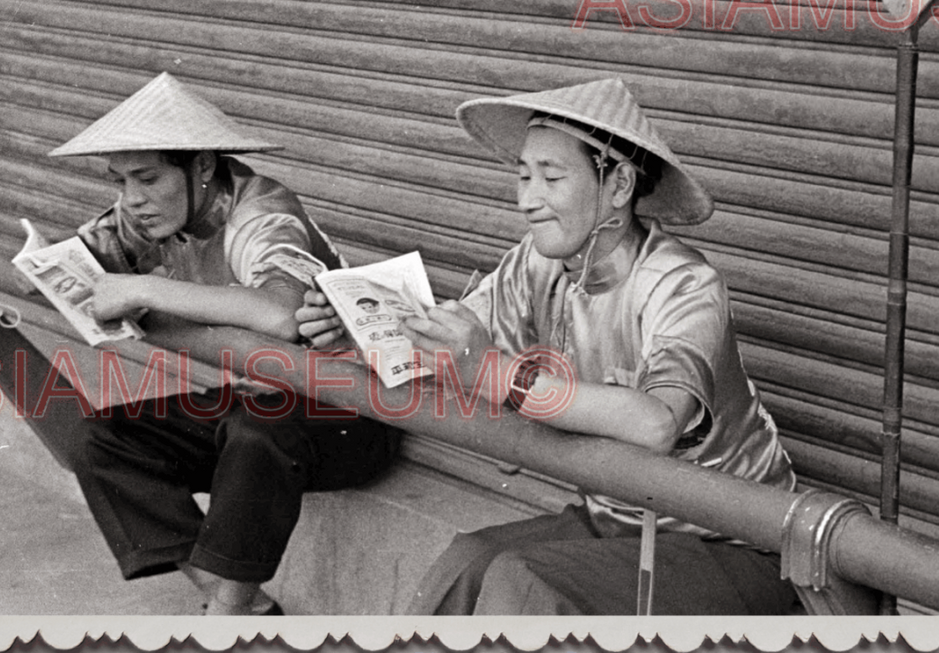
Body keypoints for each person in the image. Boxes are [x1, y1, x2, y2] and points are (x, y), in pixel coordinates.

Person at [299, 77, 796, 615]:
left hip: (732, 541)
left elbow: (656, 423)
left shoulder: (682, 284)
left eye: (551, 177)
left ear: (619, 185)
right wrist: (359, 330)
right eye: (522, 176)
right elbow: (452, 345)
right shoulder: (537, 263)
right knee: (469, 561)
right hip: (617, 518)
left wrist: (492, 374)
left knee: (523, 580)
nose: (527, 201)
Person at [51, 72, 399, 615]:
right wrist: (43, 268)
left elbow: (280, 314)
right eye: (120, 181)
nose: (133, 199)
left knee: (256, 426)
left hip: (352, 414)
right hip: (263, 401)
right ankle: (246, 608)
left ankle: (227, 618)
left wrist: (144, 287)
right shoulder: (150, 212)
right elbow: (82, 255)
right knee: (100, 437)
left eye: (146, 178)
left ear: (204, 166)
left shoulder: (262, 212)